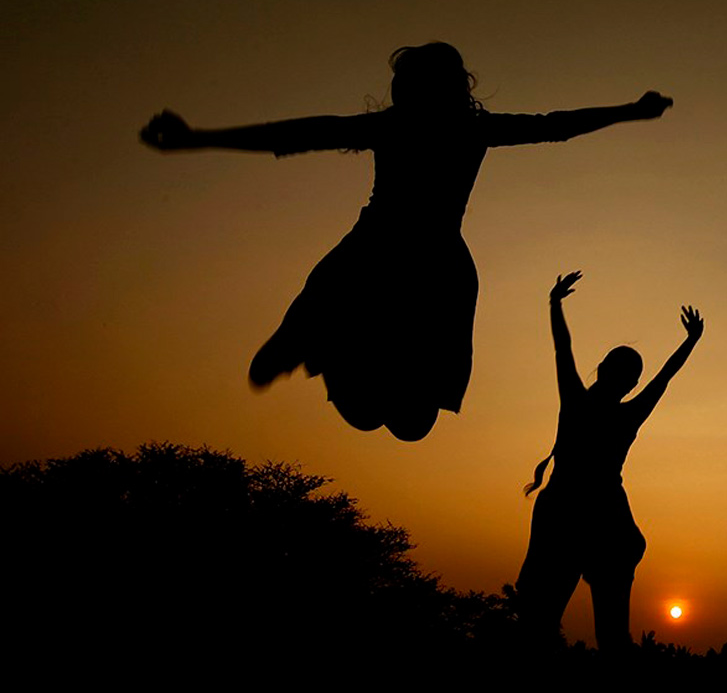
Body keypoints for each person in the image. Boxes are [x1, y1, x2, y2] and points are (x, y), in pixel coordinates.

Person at [140, 42, 673, 441]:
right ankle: (305, 337)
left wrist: (196, 139)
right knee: (377, 405)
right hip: (406, 254)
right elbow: (300, 134)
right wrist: (630, 111)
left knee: (409, 423)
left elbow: (555, 126)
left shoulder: (434, 127)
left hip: (406, 253)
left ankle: (316, 338)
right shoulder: (436, 127)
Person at [516, 271, 703, 652]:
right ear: (631, 384)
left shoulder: (577, 401)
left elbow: (563, 348)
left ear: (601, 369)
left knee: (541, 624)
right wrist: (691, 340)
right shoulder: (625, 414)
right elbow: (664, 377)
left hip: (569, 516)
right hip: (602, 521)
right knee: (606, 635)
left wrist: (555, 303)